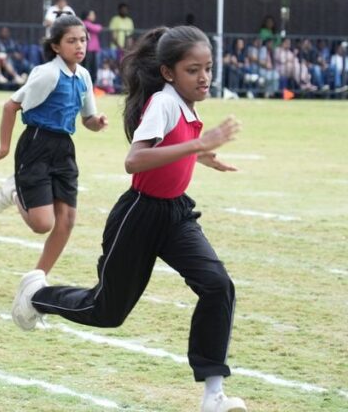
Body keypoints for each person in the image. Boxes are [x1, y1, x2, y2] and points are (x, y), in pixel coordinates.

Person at [12, 25, 246, 412]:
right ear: (169, 73)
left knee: (218, 285)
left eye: (208, 67)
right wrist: (198, 145)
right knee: (105, 311)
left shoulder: (185, 103)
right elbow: (134, 160)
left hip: (175, 214)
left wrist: (201, 156)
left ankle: (213, 395)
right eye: (193, 69)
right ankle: (37, 296)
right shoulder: (164, 102)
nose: (204, 77)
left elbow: (171, 145)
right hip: (139, 215)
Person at [0, 15, 108, 275]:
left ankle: (37, 279)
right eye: (72, 41)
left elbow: (87, 120)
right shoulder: (47, 74)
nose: (80, 46)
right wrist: (3, 149)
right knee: (41, 224)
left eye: (83, 40)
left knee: (67, 220)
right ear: (56, 47)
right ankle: (16, 191)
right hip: (36, 144)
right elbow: (11, 106)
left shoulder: (83, 76)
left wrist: (98, 122)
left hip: (64, 148)